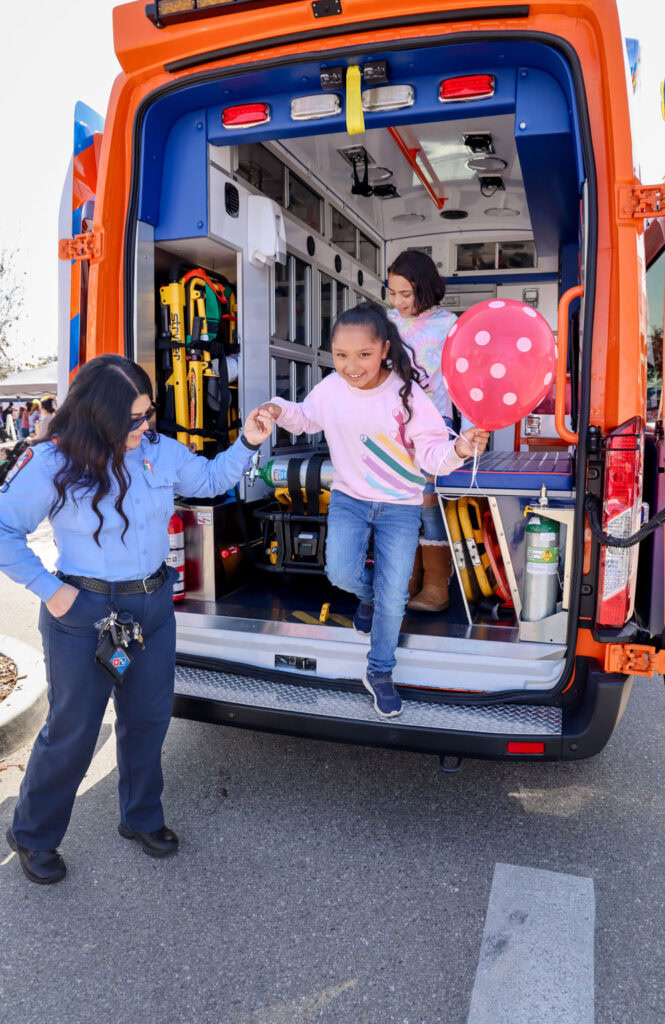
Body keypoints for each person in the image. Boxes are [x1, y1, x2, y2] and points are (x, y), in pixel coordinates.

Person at [0, 354, 274, 885]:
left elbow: (213, 478)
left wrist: (249, 441)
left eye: (148, 413)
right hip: (82, 612)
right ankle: (32, 834)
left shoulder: (160, 452)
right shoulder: (50, 462)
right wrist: (52, 593)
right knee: (73, 731)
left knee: (148, 719)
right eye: (134, 418)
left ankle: (141, 818)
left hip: (151, 607)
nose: (146, 425)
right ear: (98, 416)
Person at [260, 302, 488, 720]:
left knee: (394, 595)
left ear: (384, 348)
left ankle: (380, 672)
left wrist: (459, 449)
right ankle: (369, 598)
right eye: (341, 355)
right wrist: (277, 409)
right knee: (341, 574)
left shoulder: (407, 394)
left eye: (363, 355)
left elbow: (433, 456)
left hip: (401, 506)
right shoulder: (331, 388)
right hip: (350, 499)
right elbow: (306, 419)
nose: (351, 365)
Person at [387, 250, 464, 613]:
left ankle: (436, 584)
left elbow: (465, 377)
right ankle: (406, 578)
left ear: (425, 288)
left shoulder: (451, 324)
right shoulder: (384, 323)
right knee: (397, 503)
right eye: (392, 293)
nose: (397, 302)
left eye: (406, 294)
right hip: (391, 424)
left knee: (429, 500)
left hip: (435, 424)